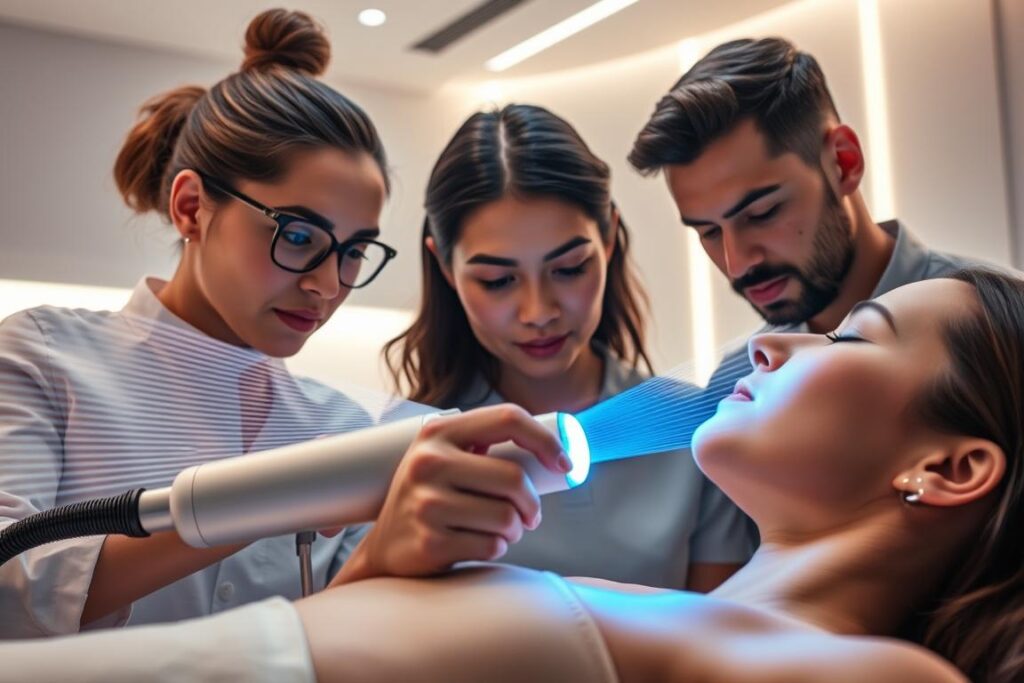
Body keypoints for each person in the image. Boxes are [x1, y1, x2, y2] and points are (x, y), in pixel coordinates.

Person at [5, 268, 1021, 683]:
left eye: (852, 335)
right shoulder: (666, 615)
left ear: (951, 464)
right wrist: (389, 558)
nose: (769, 345)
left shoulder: (888, 674)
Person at [0, 9, 568, 638]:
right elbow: (8, 586)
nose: (328, 285)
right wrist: (276, 496)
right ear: (192, 207)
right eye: (298, 235)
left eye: (354, 252)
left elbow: (339, 645)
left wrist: (382, 554)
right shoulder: (44, 357)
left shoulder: (348, 431)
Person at [383, 104, 754, 590]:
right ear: (446, 269)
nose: (538, 311)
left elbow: (723, 640)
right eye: (498, 281)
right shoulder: (408, 447)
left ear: (609, 241)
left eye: (569, 268)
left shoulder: (692, 428)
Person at [628, 37, 995, 428]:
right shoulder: (739, 386)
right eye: (708, 232)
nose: (736, 264)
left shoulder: (998, 327)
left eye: (762, 213)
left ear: (843, 162)